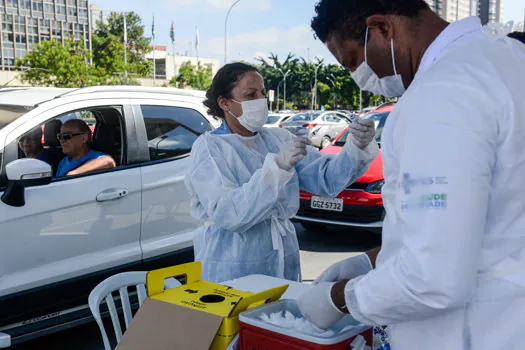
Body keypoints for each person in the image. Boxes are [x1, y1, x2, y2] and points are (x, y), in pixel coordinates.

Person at [297, 1, 525, 349]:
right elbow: (478, 221)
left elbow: (433, 278)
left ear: (382, 29)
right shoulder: (505, 59)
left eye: (354, 60)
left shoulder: (442, 93)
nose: (360, 76)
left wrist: (341, 298)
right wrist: (373, 260)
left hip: (474, 332)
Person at [185, 62, 379, 283]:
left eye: (261, 93)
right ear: (224, 103)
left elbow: (327, 179)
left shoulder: (277, 139)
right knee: (239, 316)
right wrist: (276, 168)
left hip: (282, 253)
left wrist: (357, 147)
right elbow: (229, 213)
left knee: (278, 313)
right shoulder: (210, 148)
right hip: (233, 260)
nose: (260, 101)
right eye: (250, 95)